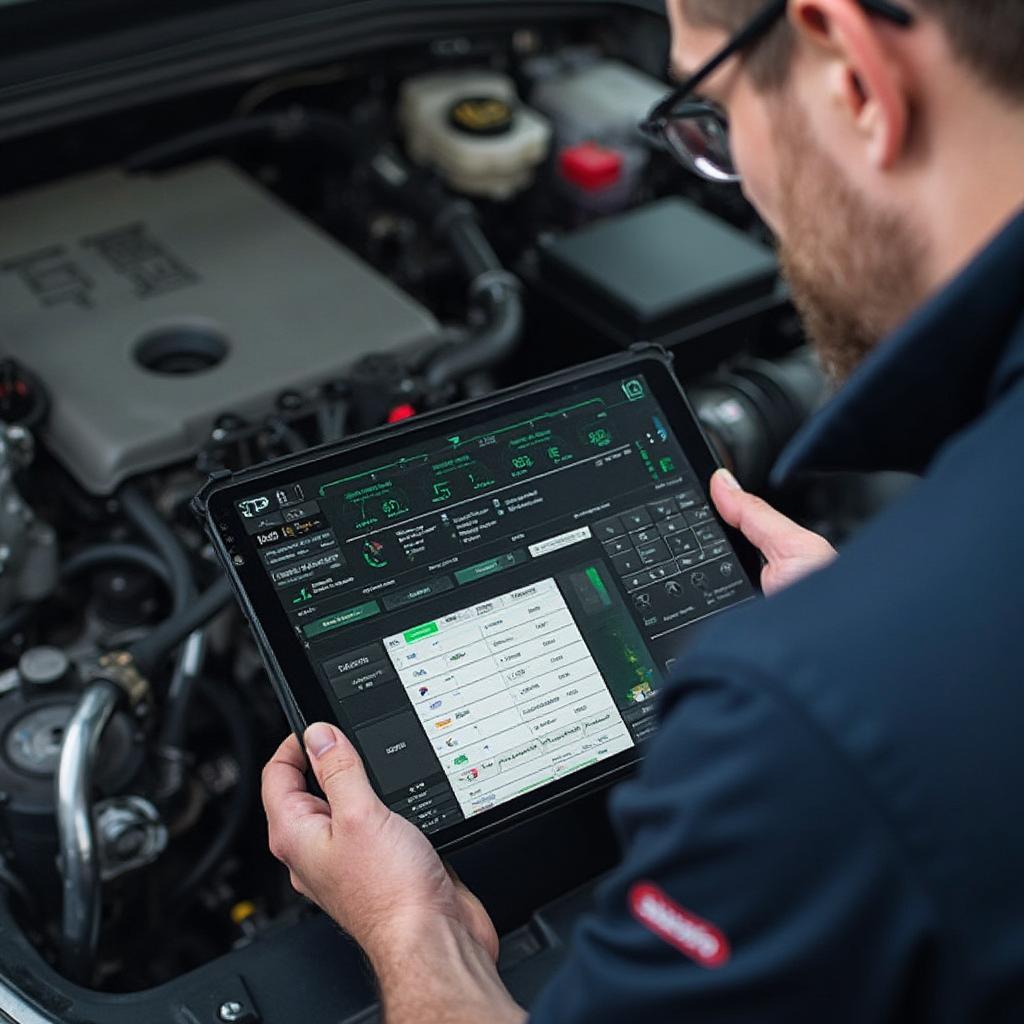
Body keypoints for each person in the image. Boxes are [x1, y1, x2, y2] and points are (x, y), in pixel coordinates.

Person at [260, 0, 1024, 1019]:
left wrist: (414, 927)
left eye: (710, 120)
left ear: (851, 71)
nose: (742, 187)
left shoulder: (820, 721)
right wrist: (881, 646)